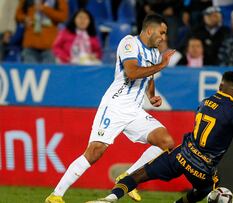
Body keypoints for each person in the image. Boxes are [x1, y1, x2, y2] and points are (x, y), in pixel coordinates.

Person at [87, 71, 233, 203]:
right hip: (202, 167)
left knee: (138, 175)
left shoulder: (205, 101)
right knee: (207, 190)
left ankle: (110, 198)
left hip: (182, 154)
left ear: (220, 86)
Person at [45, 14, 176, 203]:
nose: (163, 37)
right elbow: (132, 72)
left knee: (166, 142)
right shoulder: (129, 43)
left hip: (135, 110)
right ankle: (56, 195)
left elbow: (149, 77)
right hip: (115, 106)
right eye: (162, 32)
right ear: (150, 30)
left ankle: (127, 177)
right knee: (95, 151)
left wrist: (151, 96)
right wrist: (162, 65)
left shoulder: (155, 53)